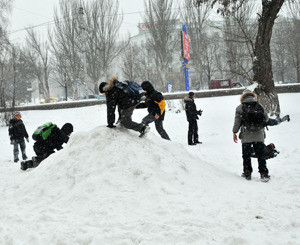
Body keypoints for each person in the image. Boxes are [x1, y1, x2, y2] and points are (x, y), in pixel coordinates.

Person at [232, 90, 270, 181]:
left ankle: (247, 173)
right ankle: (264, 174)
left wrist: (234, 132)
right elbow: (267, 118)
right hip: (259, 134)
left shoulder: (240, 108)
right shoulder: (259, 106)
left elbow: (237, 122)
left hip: (246, 135)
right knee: (261, 155)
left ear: (243, 97)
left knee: (246, 155)